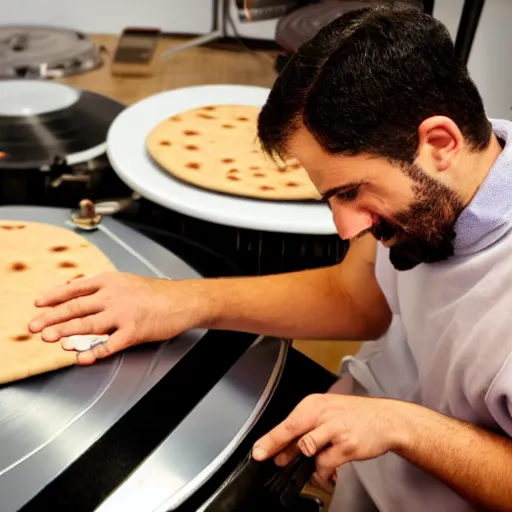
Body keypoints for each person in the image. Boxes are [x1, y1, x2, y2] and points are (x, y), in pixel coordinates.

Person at [27, 4, 512, 511]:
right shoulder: (442, 179)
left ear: (440, 143)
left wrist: (403, 426)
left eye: (352, 192)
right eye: (332, 198)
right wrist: (177, 301)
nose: (346, 228)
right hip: (356, 463)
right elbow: (357, 295)